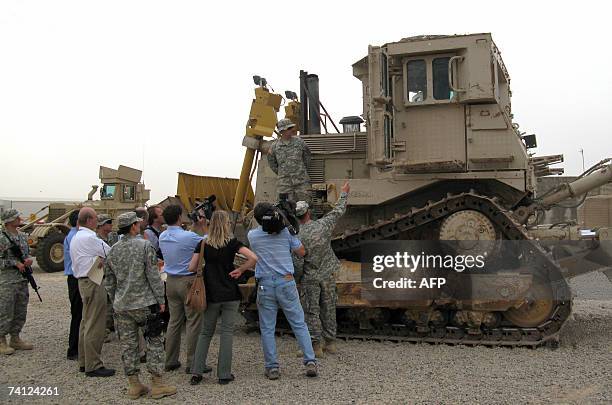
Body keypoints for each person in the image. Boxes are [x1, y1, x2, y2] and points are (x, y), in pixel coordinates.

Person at [104, 212, 176, 400]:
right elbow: (153, 276)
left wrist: (115, 300)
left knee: (128, 345)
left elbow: (109, 281)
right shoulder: (145, 246)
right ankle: (157, 384)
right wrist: (161, 300)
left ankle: (134, 384)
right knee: (154, 342)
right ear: (133, 226)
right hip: (145, 304)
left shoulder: (113, 250)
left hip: (122, 306)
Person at [247, 202, 317, 380]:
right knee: (299, 324)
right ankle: (310, 362)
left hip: (264, 284)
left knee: (268, 328)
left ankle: (272, 368)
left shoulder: (252, 236)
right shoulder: (286, 232)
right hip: (286, 282)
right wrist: (290, 228)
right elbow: (301, 252)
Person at [188, 210, 257, 386]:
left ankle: (197, 371)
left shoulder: (203, 243)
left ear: (211, 224)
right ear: (226, 224)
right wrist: (240, 270)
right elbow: (253, 258)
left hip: (211, 293)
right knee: (227, 333)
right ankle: (224, 374)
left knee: (205, 332)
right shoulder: (233, 243)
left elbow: (191, 267)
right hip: (230, 293)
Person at [295, 181, 350, 357]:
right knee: (329, 307)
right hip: (327, 274)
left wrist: (298, 277)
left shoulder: (296, 236)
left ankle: (315, 346)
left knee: (312, 311)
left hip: (310, 277)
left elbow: (297, 263)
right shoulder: (323, 226)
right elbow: (338, 211)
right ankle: (331, 343)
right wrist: (344, 193)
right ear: (308, 212)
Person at [159, 204, 205, 374]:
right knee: (193, 321)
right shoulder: (190, 237)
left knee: (174, 321)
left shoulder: (163, 236)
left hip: (170, 281)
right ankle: (192, 361)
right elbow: (207, 240)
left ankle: (170, 359)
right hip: (188, 281)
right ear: (179, 217)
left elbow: (184, 237)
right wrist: (202, 225)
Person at [70, 207, 115, 377]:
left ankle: (84, 361)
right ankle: (93, 365)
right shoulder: (90, 237)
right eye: (96, 218)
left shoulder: (77, 236)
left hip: (84, 281)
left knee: (86, 322)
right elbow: (111, 253)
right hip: (94, 281)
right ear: (89, 220)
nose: (97, 222)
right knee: (95, 324)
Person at [0, 209, 34, 355]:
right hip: (7, 281)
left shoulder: (21, 236)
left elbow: (25, 254)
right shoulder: (2, 237)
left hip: (21, 279)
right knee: (5, 310)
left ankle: (15, 337)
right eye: (16, 217)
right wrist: (14, 263)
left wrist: (27, 261)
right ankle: (1, 341)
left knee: (20, 309)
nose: (19, 218)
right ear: (8, 221)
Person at [267, 118, 312, 203]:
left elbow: (307, 156)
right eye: (289, 128)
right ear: (282, 131)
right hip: (284, 185)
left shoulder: (300, 142)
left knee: (307, 206)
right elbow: (272, 162)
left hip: (301, 182)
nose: (292, 130)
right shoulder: (275, 146)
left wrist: (301, 170)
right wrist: (282, 173)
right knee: (284, 208)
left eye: (291, 128)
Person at [96, 213, 118, 342]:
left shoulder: (113, 237)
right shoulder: (95, 240)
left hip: (112, 276)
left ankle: (109, 327)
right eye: (108, 222)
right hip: (101, 276)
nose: (111, 224)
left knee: (111, 304)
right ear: (101, 225)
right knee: (102, 305)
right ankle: (102, 331)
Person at [64, 210, 81, 360]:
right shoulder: (76, 236)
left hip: (73, 277)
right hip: (75, 278)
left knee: (78, 314)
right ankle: (73, 348)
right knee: (78, 314)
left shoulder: (73, 235)